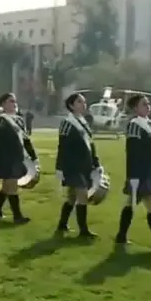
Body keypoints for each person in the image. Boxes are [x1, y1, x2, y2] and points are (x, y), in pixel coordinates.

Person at [113, 94, 151, 252]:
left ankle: (121, 236)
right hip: (140, 172)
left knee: (132, 203)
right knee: (150, 204)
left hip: (148, 171)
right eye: (144, 104)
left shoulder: (146, 124)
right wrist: (134, 175)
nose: (148, 106)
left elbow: (149, 150)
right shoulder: (135, 125)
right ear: (135, 108)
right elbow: (134, 151)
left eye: (148, 104)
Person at [54, 92, 101, 238]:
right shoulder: (67, 122)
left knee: (72, 197)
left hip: (84, 165)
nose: (83, 104)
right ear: (71, 105)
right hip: (72, 165)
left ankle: (62, 224)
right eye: (80, 102)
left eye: (84, 102)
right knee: (82, 195)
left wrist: (96, 162)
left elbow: (90, 144)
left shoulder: (84, 121)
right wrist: (60, 168)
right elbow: (62, 146)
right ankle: (84, 230)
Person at [0, 92, 37, 223]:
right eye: (10, 101)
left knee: (7, 187)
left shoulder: (19, 120)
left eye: (15, 101)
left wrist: (33, 156)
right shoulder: (0, 119)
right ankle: (17, 216)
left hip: (17, 157)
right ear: (3, 104)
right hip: (5, 157)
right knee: (12, 186)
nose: (14, 104)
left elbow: (26, 140)